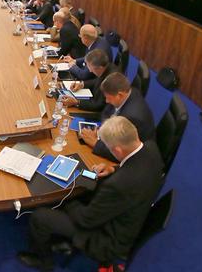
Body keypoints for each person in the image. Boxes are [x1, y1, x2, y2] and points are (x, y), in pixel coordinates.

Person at [19, 116, 164, 270]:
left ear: (117, 150)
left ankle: (44, 262)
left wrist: (68, 199)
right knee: (89, 189)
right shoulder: (151, 148)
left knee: (40, 217)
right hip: (131, 215)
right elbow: (132, 167)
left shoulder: (119, 184)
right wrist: (112, 169)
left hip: (107, 239)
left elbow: (85, 220)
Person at [80, 73, 156, 162]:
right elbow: (106, 111)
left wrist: (95, 142)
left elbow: (124, 151)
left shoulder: (132, 117)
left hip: (138, 159)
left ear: (119, 95)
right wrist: (102, 129)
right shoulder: (128, 92)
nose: (106, 101)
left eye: (108, 98)